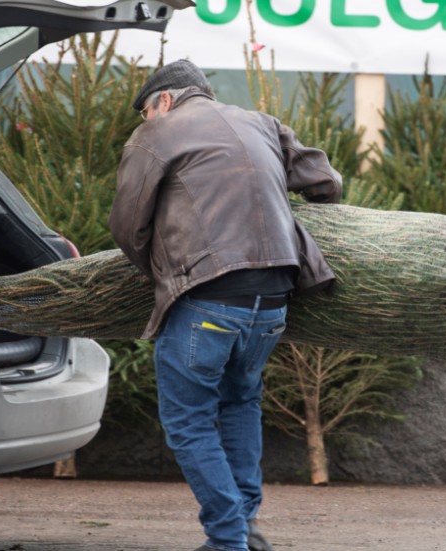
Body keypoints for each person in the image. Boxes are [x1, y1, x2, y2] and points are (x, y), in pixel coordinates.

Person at [109, 59, 342, 551]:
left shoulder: (159, 133)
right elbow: (326, 182)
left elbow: (129, 227)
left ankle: (228, 539)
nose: (147, 122)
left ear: (165, 101)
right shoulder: (262, 122)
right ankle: (246, 530)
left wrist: (161, 273)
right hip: (275, 296)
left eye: (147, 112)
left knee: (189, 420)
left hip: (209, 298)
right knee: (239, 403)